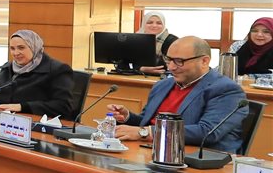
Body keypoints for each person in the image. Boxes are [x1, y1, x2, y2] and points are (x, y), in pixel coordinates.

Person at [107, 36, 249, 148]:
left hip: (197, 158)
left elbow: (207, 132)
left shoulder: (226, 90)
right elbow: (147, 122)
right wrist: (128, 118)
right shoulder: (162, 85)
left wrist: (144, 133)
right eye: (168, 60)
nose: (171, 67)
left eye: (179, 61)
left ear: (204, 61)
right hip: (152, 150)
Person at [0, 29, 78, 119]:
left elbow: (63, 106)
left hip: (40, 124)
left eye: (21, 48)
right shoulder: (7, 68)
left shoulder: (58, 70)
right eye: (12, 48)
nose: (16, 53)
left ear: (34, 47)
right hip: (6, 122)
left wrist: (22, 107)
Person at [137, 12, 178, 76]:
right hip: (136, 77)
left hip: (164, 77)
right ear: (143, 24)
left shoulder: (172, 41)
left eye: (159, 23)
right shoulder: (135, 39)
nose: (154, 26)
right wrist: (140, 69)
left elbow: (178, 64)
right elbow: (124, 64)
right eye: (150, 22)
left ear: (163, 25)